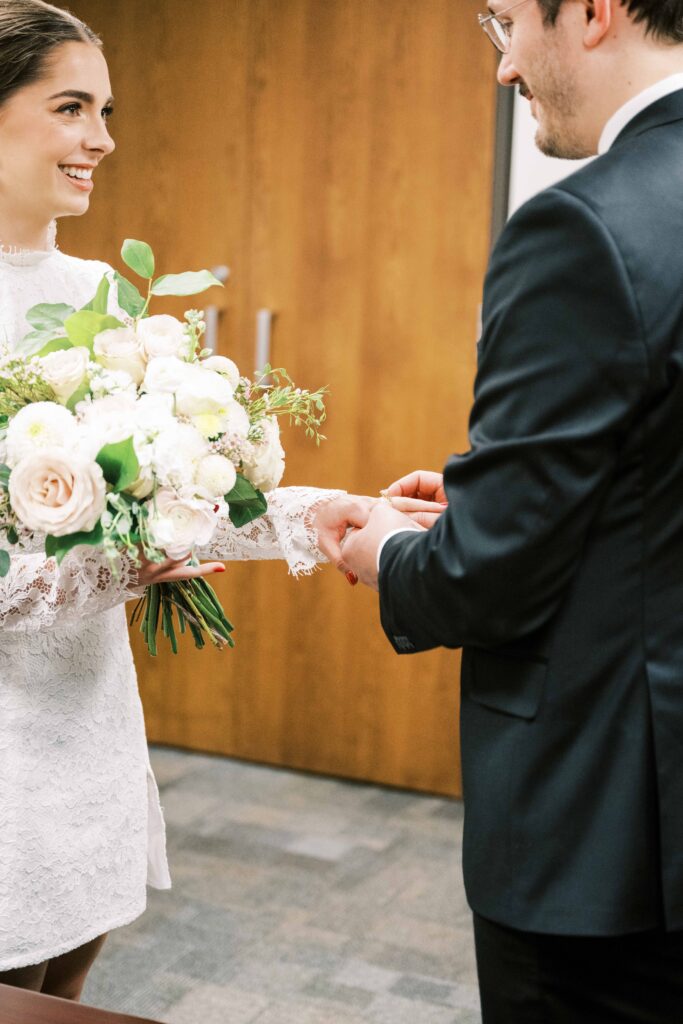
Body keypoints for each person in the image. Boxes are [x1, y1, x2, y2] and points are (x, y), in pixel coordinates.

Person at [0, 0, 440, 1001]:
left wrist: (310, 510)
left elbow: (167, 487)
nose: (101, 139)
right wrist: (113, 567)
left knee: (63, 984)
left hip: (89, 721)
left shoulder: (106, 298)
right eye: (72, 107)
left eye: (106, 110)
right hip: (4, 743)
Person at [316, 0, 683, 1020]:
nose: (502, 64)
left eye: (506, 20)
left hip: (608, 839)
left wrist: (388, 549)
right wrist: (489, 497)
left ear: (595, 12)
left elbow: (481, 580)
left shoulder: (585, 225)